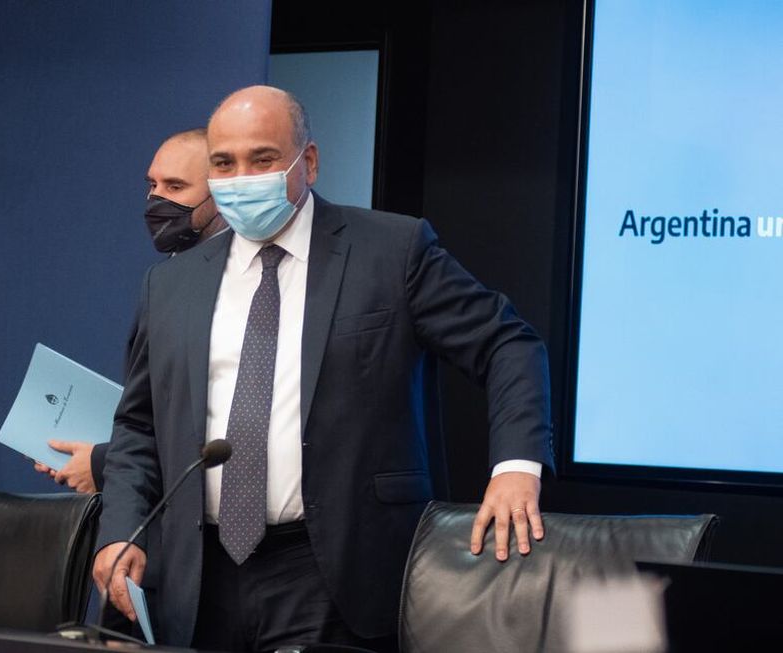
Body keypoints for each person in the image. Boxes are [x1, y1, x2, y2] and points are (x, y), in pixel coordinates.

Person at [93, 86, 553, 652]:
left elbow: (507, 343)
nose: (241, 178)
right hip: (199, 576)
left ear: (307, 162)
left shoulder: (391, 250)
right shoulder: (169, 284)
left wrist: (516, 467)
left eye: (263, 159)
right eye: (224, 163)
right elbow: (138, 426)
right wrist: (120, 529)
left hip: (336, 570)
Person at [32, 128, 225, 493]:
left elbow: (215, 423)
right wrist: (93, 454)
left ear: (221, 194)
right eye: (152, 185)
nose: (156, 200)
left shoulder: (238, 286)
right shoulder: (165, 278)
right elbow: (150, 410)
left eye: (175, 187)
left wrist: (102, 464)